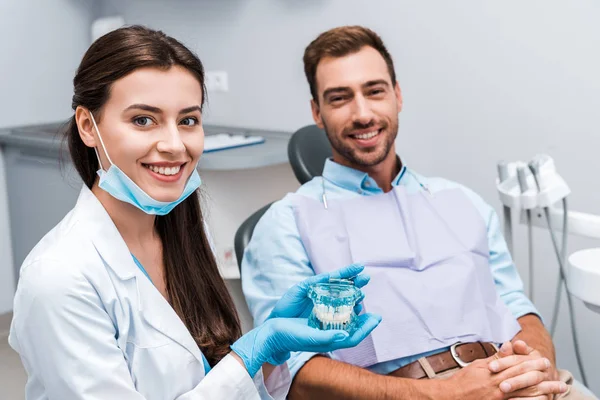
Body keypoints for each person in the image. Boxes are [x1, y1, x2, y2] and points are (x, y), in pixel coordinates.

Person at [8, 26, 381, 400]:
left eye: (188, 120)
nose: (174, 145)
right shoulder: (58, 279)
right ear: (88, 126)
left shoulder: (181, 230)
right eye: (143, 120)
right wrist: (252, 350)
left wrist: (270, 349)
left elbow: (213, 380)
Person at [242, 26, 596, 399]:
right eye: (340, 98)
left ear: (397, 95)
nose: (362, 113)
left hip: (511, 378)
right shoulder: (286, 223)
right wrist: (444, 394)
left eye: (375, 91)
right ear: (317, 112)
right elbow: (295, 373)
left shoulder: (462, 201)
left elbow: (518, 308)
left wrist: (535, 365)